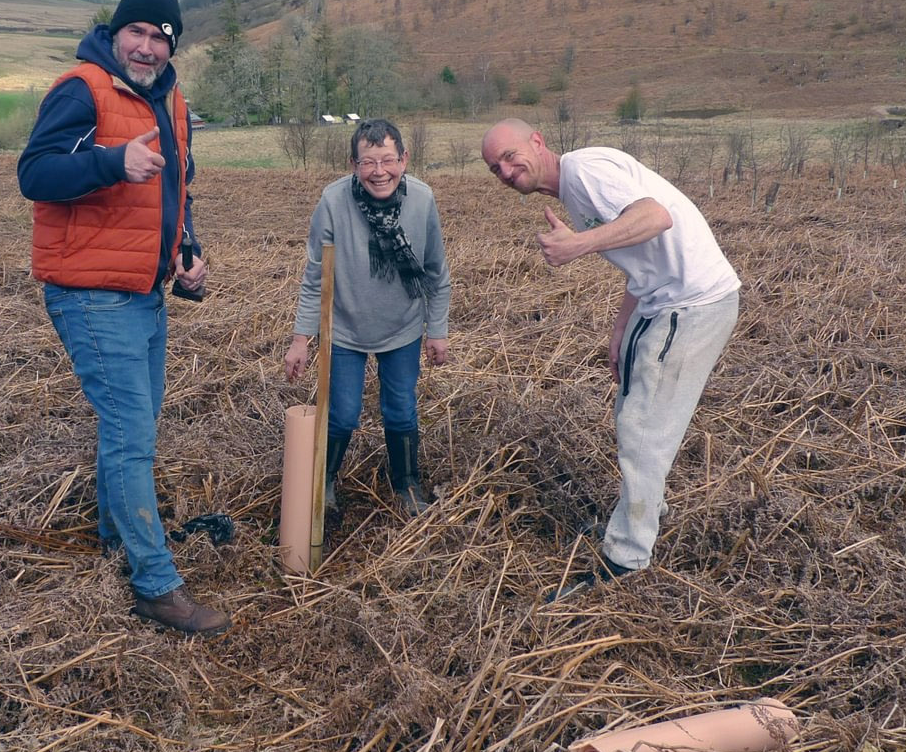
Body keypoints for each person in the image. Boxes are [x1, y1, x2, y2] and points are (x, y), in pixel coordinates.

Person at [17, 0, 228, 636]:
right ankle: (156, 585)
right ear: (115, 33)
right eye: (135, 31)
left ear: (171, 47)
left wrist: (187, 255)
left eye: (159, 36)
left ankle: (117, 541)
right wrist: (112, 162)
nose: (145, 45)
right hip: (89, 292)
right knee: (132, 431)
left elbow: (176, 188)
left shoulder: (170, 99)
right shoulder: (82, 88)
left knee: (133, 427)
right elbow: (36, 172)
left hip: (143, 290)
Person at [480, 118, 740, 598]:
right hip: (661, 300)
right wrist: (622, 327)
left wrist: (577, 245)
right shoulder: (577, 193)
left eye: (512, 157)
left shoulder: (582, 170)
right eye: (496, 168)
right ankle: (643, 509)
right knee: (632, 414)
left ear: (538, 141)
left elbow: (655, 216)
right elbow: (642, 252)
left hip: (691, 302)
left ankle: (626, 558)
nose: (507, 172)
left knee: (643, 426)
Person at [284, 118, 452, 521]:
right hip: (344, 328)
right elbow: (314, 279)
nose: (380, 172)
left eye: (388, 160)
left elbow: (436, 272)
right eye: (368, 163)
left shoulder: (422, 200)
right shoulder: (333, 201)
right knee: (341, 413)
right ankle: (324, 483)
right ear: (353, 164)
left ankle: (407, 484)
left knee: (400, 410)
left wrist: (438, 330)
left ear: (404, 160)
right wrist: (301, 338)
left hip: (403, 327)